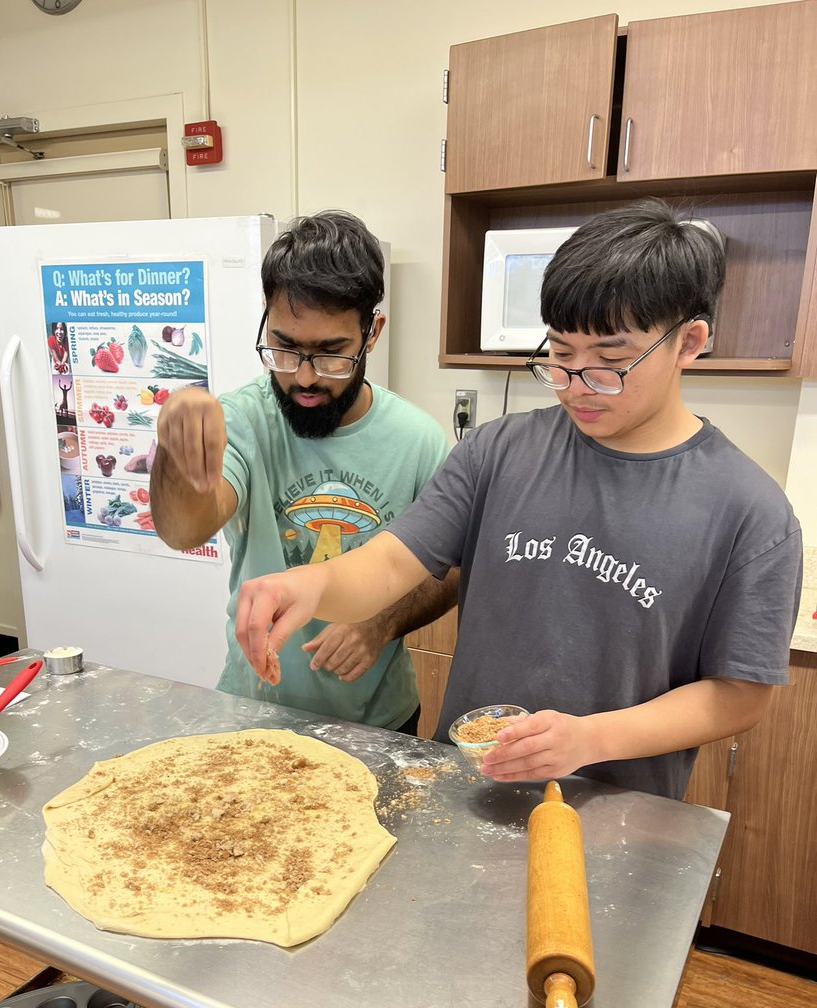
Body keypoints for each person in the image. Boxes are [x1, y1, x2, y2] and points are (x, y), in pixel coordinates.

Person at [234, 199, 803, 800]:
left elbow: (741, 693)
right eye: (559, 355)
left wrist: (590, 739)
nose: (575, 385)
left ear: (688, 343)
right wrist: (312, 586)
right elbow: (395, 561)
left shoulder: (749, 513)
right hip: (464, 791)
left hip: (617, 806)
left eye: (609, 362)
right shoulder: (498, 451)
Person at [151, 210, 457, 734]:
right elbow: (183, 530)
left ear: (372, 333)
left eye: (332, 354)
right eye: (285, 348)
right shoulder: (243, 419)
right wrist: (177, 458)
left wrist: (380, 624)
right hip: (256, 711)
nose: (305, 377)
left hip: (379, 722)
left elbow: (448, 572)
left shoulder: (419, 439)